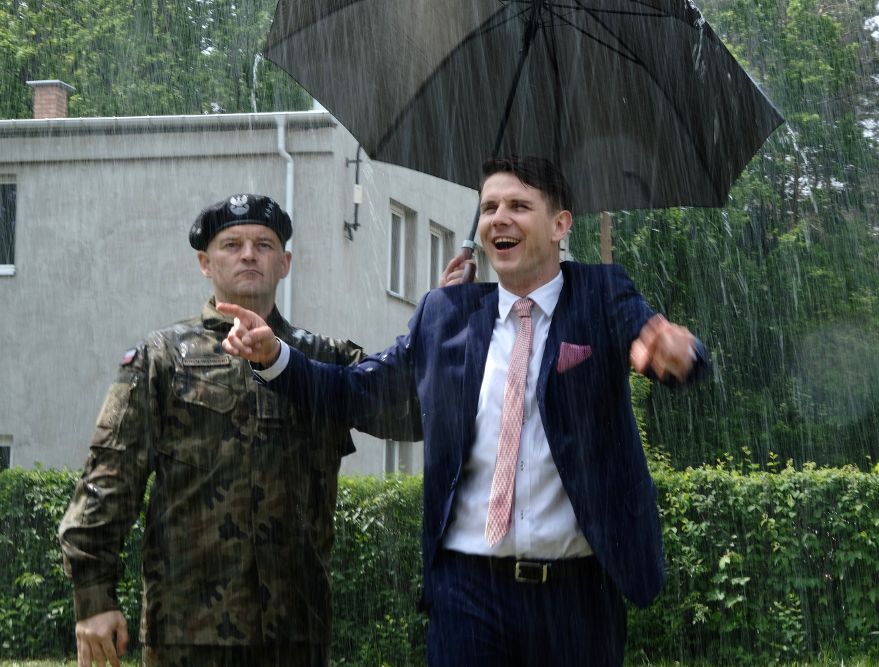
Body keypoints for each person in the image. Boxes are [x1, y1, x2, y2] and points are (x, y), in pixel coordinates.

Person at [220, 156, 711, 666]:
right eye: (490, 206)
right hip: (468, 594)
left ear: (560, 225)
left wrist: (681, 355)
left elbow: (663, 347)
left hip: (578, 599)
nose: (500, 218)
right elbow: (358, 391)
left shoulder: (600, 293)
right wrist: (276, 357)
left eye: (519, 206)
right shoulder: (446, 313)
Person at [58, 194, 368, 667]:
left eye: (264, 245)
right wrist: (94, 597)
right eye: (232, 245)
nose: (249, 255)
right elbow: (109, 476)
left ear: (285, 263)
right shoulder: (162, 357)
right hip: (188, 633)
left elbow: (407, 407)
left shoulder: (324, 360)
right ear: (206, 263)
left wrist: (446, 315)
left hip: (296, 633)